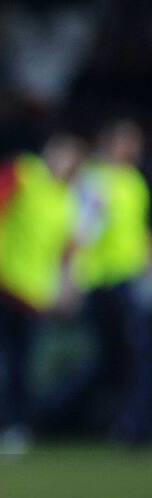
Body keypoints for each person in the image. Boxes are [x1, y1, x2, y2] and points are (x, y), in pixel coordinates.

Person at [0, 133, 86, 447]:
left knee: (18, 366)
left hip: (30, 296)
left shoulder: (67, 199)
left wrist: (68, 286)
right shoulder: (24, 172)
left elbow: (67, 249)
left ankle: (13, 428)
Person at [43, 119, 151, 442]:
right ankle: (54, 415)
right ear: (109, 143)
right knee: (127, 358)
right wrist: (67, 278)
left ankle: (127, 426)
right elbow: (80, 231)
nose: (132, 148)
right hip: (104, 284)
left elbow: (137, 231)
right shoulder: (96, 181)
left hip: (128, 280)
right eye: (126, 141)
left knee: (119, 360)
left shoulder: (134, 182)